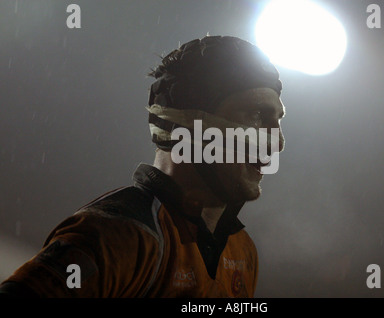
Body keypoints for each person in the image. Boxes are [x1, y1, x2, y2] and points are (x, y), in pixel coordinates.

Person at [0, 35, 285, 297]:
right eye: (258, 116)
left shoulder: (242, 250)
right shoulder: (116, 236)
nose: (278, 142)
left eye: (278, 121)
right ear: (189, 125)